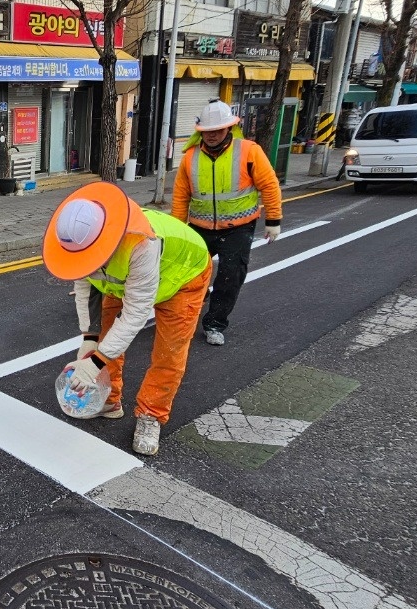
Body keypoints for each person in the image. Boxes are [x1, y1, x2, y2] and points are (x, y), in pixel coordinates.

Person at [43, 181, 213, 456]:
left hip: (182, 276)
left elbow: (135, 314)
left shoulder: (141, 243)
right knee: (106, 338)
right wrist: (89, 338)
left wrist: (95, 363)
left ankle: (151, 415)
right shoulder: (81, 239)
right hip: (124, 282)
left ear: (104, 241)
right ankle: (109, 401)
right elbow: (86, 286)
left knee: (169, 351)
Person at [170, 99, 282, 347]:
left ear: (229, 128)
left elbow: (269, 185)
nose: (211, 135)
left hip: (238, 229)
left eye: (217, 131)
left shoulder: (249, 151)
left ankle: (215, 323)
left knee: (230, 276)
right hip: (199, 228)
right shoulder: (190, 157)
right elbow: (181, 196)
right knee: (186, 275)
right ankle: (187, 312)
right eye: (207, 131)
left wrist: (273, 219)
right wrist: (176, 230)